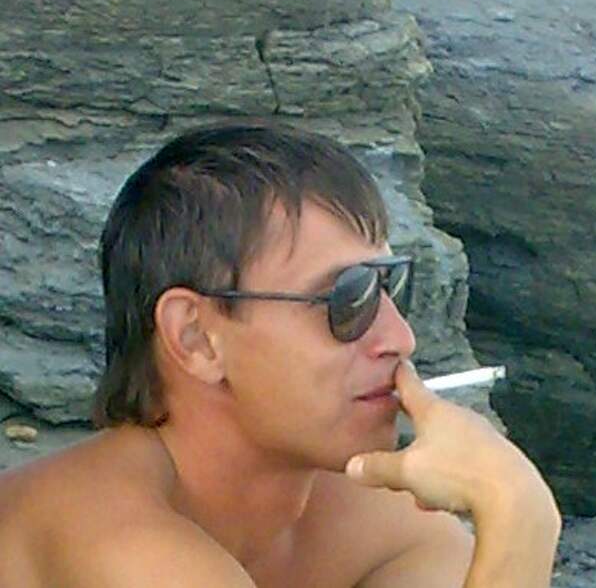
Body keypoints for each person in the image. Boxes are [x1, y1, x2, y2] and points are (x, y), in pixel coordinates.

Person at [0, 121, 561, 587]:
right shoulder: (116, 542)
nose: (400, 337)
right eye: (348, 298)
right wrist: (519, 519)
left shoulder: (375, 528)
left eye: (388, 286)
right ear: (196, 338)